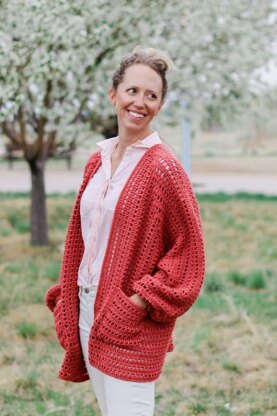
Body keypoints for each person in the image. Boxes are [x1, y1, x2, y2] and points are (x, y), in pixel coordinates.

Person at [45, 46, 205, 416]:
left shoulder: (163, 168)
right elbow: (84, 241)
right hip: (87, 311)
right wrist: (70, 297)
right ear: (113, 94)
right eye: (132, 90)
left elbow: (188, 253)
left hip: (130, 320)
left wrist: (139, 301)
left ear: (160, 105)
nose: (140, 102)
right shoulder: (96, 161)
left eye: (152, 95)